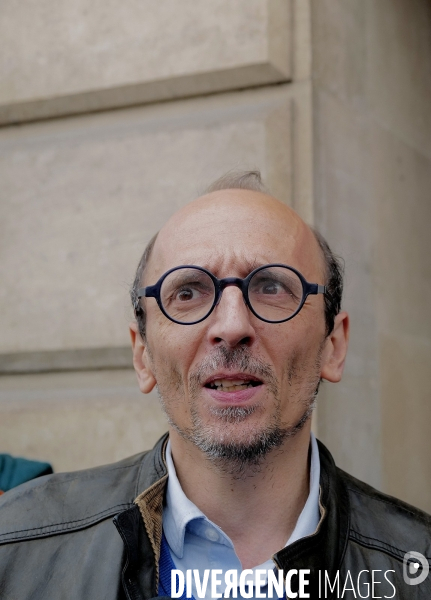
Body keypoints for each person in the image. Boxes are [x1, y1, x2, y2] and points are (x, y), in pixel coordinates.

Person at [0, 171, 430, 599]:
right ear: (142, 354)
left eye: (271, 286)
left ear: (332, 346)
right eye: (188, 293)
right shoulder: (17, 547)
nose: (231, 326)